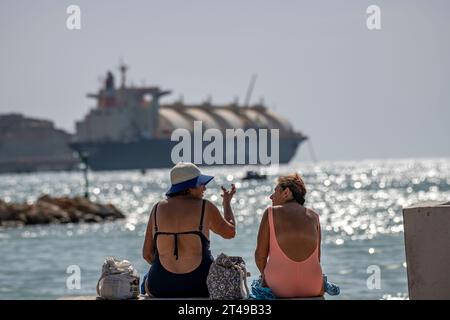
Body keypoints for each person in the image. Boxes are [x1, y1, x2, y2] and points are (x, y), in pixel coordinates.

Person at [142, 162, 236, 297]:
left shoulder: (157, 208)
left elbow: (147, 254)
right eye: (201, 184)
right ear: (189, 187)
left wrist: (166, 267)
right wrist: (226, 204)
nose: (204, 188)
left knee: (145, 279)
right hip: (200, 285)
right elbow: (230, 232)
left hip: (160, 285)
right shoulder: (205, 206)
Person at [254, 173, 324, 298]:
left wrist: (265, 278)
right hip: (313, 286)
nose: (271, 197)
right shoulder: (314, 216)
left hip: (279, 286)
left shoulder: (270, 213)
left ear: (286, 192)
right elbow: (317, 258)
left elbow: (260, 256)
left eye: (275, 191)